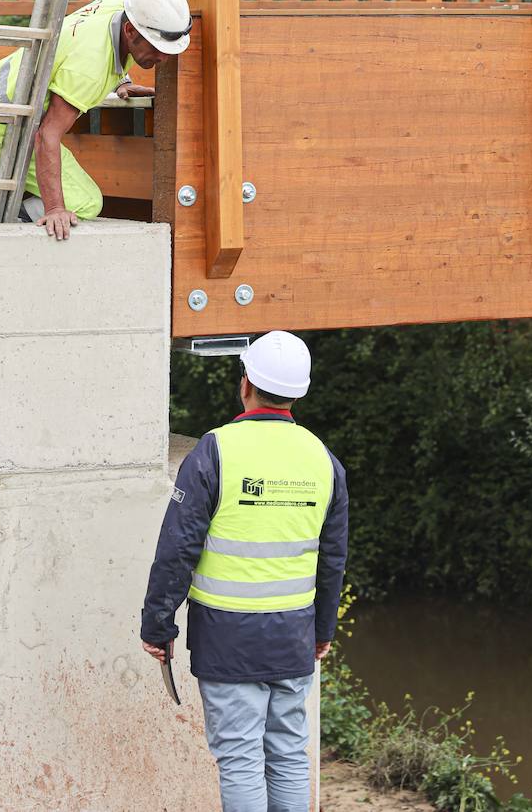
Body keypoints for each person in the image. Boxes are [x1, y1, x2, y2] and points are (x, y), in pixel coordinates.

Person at [140, 331, 348, 812]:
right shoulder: (324, 461)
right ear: (299, 392)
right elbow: (332, 559)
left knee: (239, 758)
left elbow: (177, 547)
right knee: (290, 755)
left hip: (227, 637)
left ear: (245, 384)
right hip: (293, 634)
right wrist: (323, 630)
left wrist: (158, 622)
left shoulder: (215, 451)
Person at [0, 0, 192, 239]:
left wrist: (122, 80)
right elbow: (47, 136)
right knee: (84, 201)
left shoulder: (122, 3)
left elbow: (102, 46)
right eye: (158, 48)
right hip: (8, 129)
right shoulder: (88, 69)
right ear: (130, 31)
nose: (164, 58)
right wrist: (55, 208)